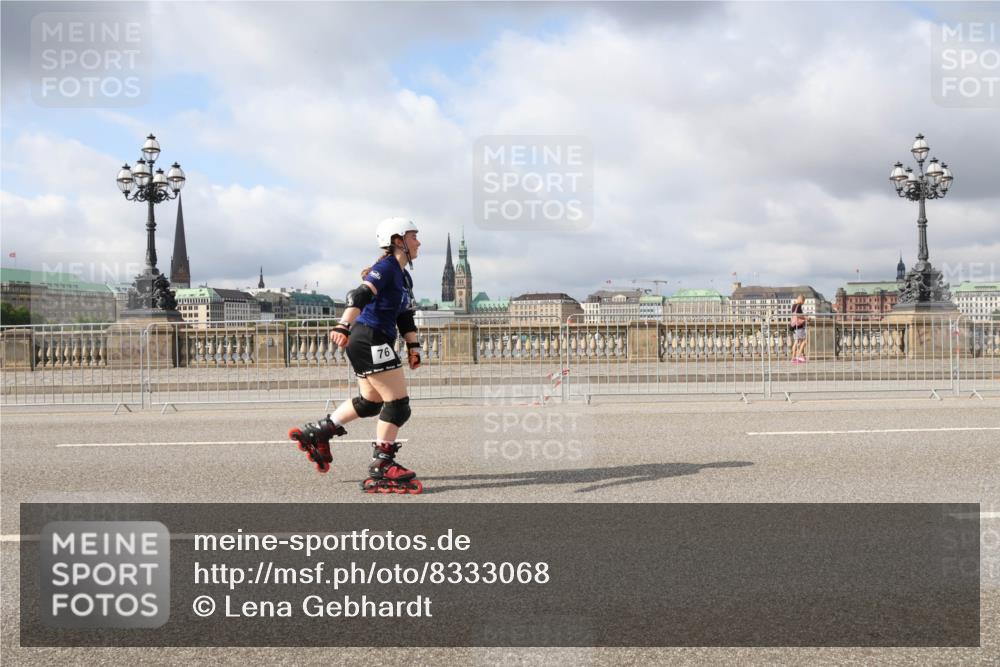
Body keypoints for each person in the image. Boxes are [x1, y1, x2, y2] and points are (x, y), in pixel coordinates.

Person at [288, 217, 424, 494]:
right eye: (413, 236)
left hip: (373, 338)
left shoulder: (403, 275)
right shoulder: (386, 267)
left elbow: (405, 315)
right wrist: (342, 324)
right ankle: (383, 465)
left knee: (371, 402)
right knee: (398, 404)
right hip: (368, 336)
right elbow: (359, 294)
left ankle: (318, 432)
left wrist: (413, 346)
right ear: (398, 241)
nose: (418, 241)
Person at [789, 294, 808, 364]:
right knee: (805, 340)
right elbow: (798, 315)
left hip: (794, 327)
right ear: (801, 300)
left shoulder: (794, 306)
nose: (803, 302)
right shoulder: (799, 305)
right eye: (803, 301)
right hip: (799, 326)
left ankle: (793, 358)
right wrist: (806, 318)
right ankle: (798, 356)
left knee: (796, 342)